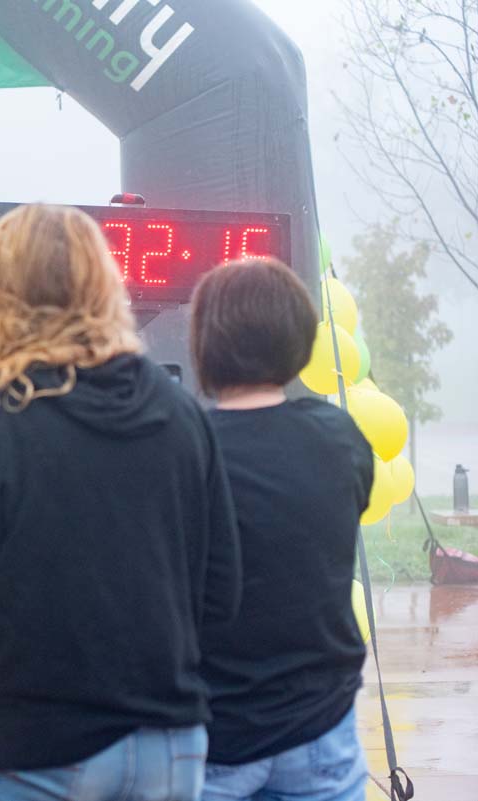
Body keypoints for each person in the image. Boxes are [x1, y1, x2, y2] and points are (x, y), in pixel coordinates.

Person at [0, 203, 242, 801]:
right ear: (104, 284)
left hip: (37, 743)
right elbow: (221, 599)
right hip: (169, 741)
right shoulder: (181, 414)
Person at [189, 259, 373, 801]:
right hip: (322, 734)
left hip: (212, 739)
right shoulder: (340, 439)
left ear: (206, 344)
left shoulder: (184, 448)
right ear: (298, 338)